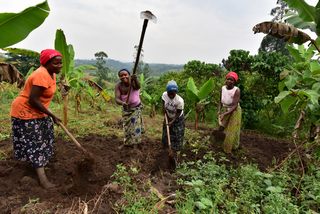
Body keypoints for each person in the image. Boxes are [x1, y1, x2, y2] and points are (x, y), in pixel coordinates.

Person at [10, 49, 62, 189]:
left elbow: (41, 100)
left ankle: (39, 164)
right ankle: (43, 180)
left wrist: (50, 115)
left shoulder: (51, 73)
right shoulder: (41, 75)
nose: (60, 66)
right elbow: (33, 100)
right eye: (56, 63)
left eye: (60, 63)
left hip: (38, 110)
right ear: (47, 63)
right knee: (36, 142)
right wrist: (52, 115)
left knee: (46, 136)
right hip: (25, 112)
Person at [115, 69, 143, 147]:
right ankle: (127, 143)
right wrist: (122, 103)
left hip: (136, 109)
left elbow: (138, 87)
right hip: (126, 110)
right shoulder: (119, 86)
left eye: (125, 74)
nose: (124, 76)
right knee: (126, 127)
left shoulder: (133, 82)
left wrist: (135, 79)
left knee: (135, 127)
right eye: (121, 75)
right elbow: (117, 99)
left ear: (129, 75)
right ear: (119, 77)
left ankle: (136, 144)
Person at [218, 71, 242, 153]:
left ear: (235, 82)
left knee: (232, 130)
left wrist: (224, 114)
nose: (229, 81)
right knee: (221, 126)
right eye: (228, 79)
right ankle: (219, 144)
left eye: (232, 80)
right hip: (225, 108)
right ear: (226, 79)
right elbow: (220, 102)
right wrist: (219, 111)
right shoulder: (222, 88)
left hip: (234, 111)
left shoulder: (236, 90)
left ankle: (229, 148)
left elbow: (235, 105)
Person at [162, 80, 185, 153]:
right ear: (167, 92)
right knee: (166, 131)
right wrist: (166, 115)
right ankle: (166, 147)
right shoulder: (164, 95)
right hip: (168, 115)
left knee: (177, 133)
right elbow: (163, 103)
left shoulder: (180, 101)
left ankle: (176, 150)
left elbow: (178, 113)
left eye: (173, 93)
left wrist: (172, 121)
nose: (171, 95)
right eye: (170, 93)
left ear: (176, 92)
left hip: (178, 118)